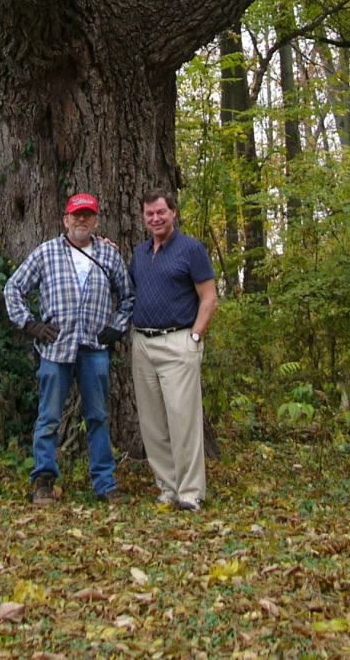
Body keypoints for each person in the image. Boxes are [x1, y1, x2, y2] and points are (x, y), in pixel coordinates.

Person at [4, 192, 134, 506]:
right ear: (65, 220)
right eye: (76, 215)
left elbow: (128, 296)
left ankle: (104, 484)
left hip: (94, 349)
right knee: (48, 417)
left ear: (96, 221)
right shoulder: (46, 253)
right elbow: (14, 289)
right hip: (54, 349)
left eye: (87, 215)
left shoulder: (108, 255)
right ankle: (44, 482)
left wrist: (117, 327)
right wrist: (30, 325)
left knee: (98, 418)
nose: (81, 220)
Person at [130, 188, 217, 511]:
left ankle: (190, 492)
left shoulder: (191, 250)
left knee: (183, 420)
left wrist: (194, 338)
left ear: (173, 213)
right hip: (143, 343)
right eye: (150, 214)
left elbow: (209, 298)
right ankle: (166, 487)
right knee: (152, 423)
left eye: (161, 212)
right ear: (143, 217)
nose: (155, 218)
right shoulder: (139, 253)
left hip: (178, 342)